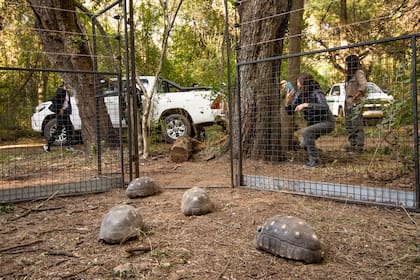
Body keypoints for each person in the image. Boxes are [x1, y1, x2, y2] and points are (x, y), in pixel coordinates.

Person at [285, 73, 335, 167]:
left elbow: (324, 107)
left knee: (306, 132)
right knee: (303, 145)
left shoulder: (317, 92)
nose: (297, 84)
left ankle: (315, 162)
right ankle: (319, 157)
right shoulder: (299, 95)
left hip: (326, 122)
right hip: (314, 124)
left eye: (298, 81)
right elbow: (290, 112)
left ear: (304, 82)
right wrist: (287, 101)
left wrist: (306, 105)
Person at [342, 54, 368, 153]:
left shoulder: (359, 73)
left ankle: (359, 147)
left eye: (348, 63)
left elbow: (364, 86)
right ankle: (352, 145)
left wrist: (355, 97)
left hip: (355, 102)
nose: (346, 65)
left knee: (357, 125)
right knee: (349, 125)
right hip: (347, 102)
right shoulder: (350, 75)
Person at [43, 84, 73, 152]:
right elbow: (55, 100)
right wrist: (60, 109)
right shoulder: (60, 90)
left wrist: (68, 110)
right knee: (59, 129)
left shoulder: (67, 92)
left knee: (69, 129)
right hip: (60, 113)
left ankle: (69, 146)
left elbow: (67, 102)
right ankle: (47, 145)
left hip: (66, 112)